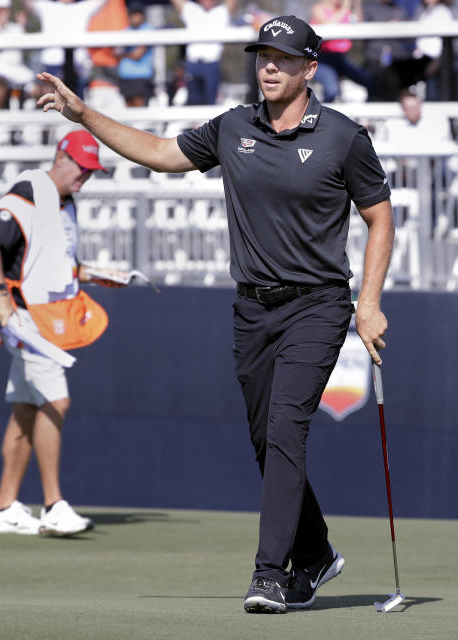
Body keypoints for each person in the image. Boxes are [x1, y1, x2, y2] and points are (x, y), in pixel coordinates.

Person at [35, 13, 394, 612]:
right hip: (252, 310)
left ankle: (269, 573)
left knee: (285, 431)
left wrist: (371, 302)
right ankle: (316, 556)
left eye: (282, 58)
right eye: (262, 56)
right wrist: (84, 116)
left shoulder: (343, 136)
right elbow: (157, 153)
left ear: (310, 68)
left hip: (318, 305)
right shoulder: (232, 127)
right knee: (265, 442)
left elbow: (379, 217)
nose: (269, 66)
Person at [0, 130, 126, 536]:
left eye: (92, 171)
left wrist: (95, 274)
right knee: (56, 402)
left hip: (46, 316)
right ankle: (54, 505)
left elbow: (61, 262)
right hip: (22, 317)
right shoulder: (30, 190)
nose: (85, 177)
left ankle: (5, 507)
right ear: (61, 157)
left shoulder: (66, 203)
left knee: (26, 410)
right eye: (81, 167)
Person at [24, 0, 107, 96]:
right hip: (52, 65)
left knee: (74, 100)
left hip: (77, 67)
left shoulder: (84, 7)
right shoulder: (46, 6)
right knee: (49, 96)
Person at [169, 0, 238, 105]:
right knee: (193, 103)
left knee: (210, 102)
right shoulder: (191, 10)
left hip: (212, 64)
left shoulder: (221, 12)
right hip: (193, 64)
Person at [310, 0, 370, 102]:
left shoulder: (345, 11)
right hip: (322, 58)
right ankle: (323, 115)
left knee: (367, 80)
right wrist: (345, 8)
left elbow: (360, 25)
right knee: (332, 90)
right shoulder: (318, 8)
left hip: (340, 58)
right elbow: (328, 25)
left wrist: (357, 4)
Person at [116, 2, 154, 107]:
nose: (134, 18)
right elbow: (115, 53)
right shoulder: (126, 30)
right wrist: (126, 54)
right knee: (129, 113)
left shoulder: (148, 29)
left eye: (137, 14)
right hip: (125, 76)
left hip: (140, 76)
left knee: (140, 111)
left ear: (142, 16)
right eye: (132, 15)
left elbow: (137, 55)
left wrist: (123, 55)